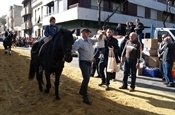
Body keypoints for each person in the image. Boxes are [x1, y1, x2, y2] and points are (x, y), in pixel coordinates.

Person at [72, 28, 101, 105]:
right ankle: (85, 96)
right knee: (86, 78)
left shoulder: (90, 40)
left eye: (88, 33)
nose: (88, 34)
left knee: (86, 78)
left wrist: (101, 34)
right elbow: (73, 49)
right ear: (83, 33)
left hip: (89, 62)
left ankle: (81, 91)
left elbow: (97, 39)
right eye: (86, 33)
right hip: (83, 62)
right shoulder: (79, 41)